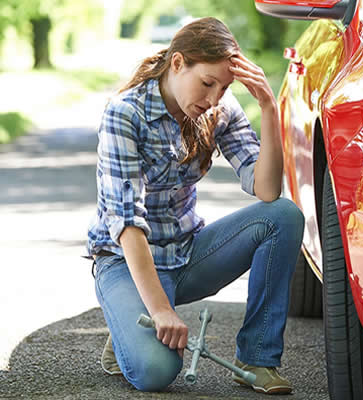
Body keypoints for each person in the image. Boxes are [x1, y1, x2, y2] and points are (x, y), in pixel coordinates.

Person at [86, 16, 304, 395]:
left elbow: (267, 190)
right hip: (126, 260)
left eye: (224, 87)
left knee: (283, 216)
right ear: (178, 63)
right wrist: (160, 311)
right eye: (207, 84)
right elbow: (127, 224)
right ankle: (129, 323)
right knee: (156, 371)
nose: (214, 98)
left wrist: (269, 107)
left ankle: (257, 358)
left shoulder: (218, 109)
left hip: (187, 256)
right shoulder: (125, 113)